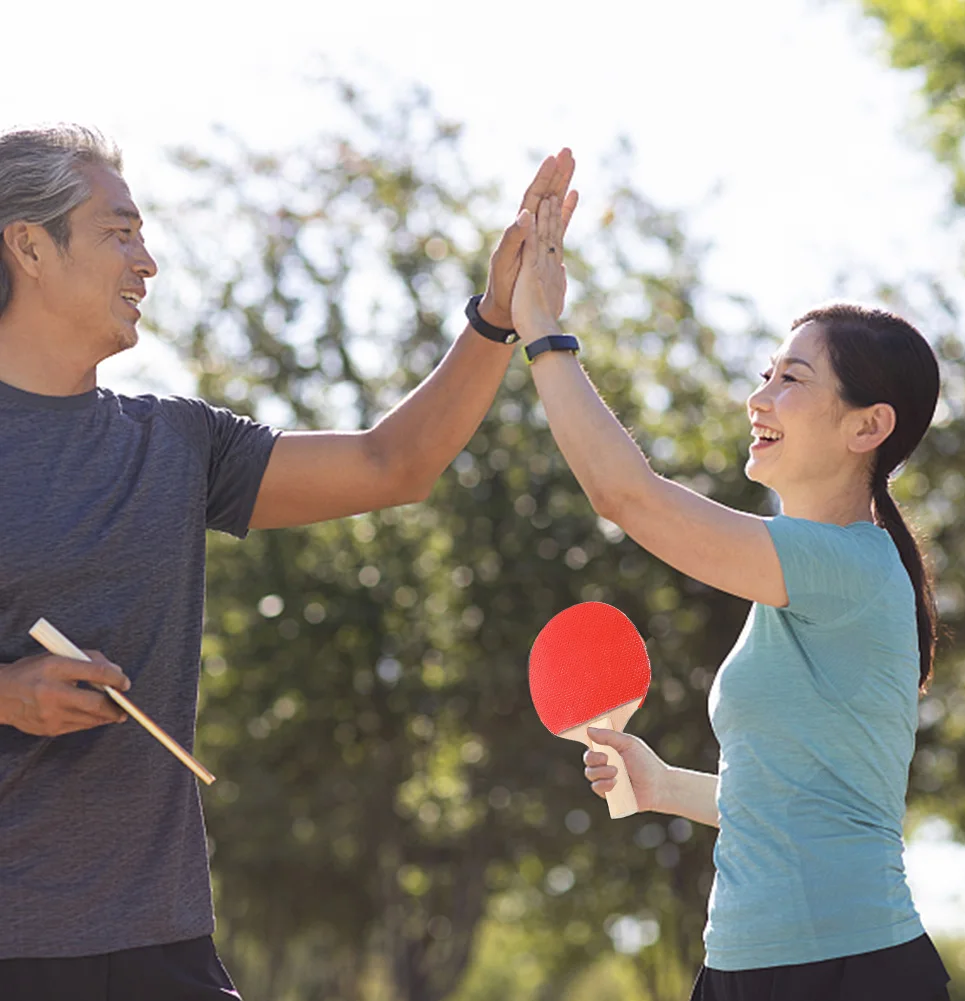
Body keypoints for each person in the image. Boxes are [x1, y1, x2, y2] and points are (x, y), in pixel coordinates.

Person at [0, 125, 576, 1001]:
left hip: (163, 945)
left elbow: (395, 464)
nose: (147, 261)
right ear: (28, 245)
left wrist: (497, 314)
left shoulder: (177, 442)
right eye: (119, 231)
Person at [510, 195, 951, 1000]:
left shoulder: (847, 565)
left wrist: (540, 329)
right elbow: (805, 801)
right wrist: (662, 785)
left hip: (846, 969)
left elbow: (625, 496)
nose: (759, 398)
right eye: (764, 375)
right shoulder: (799, 580)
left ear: (866, 426)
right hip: (740, 965)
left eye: (791, 379)